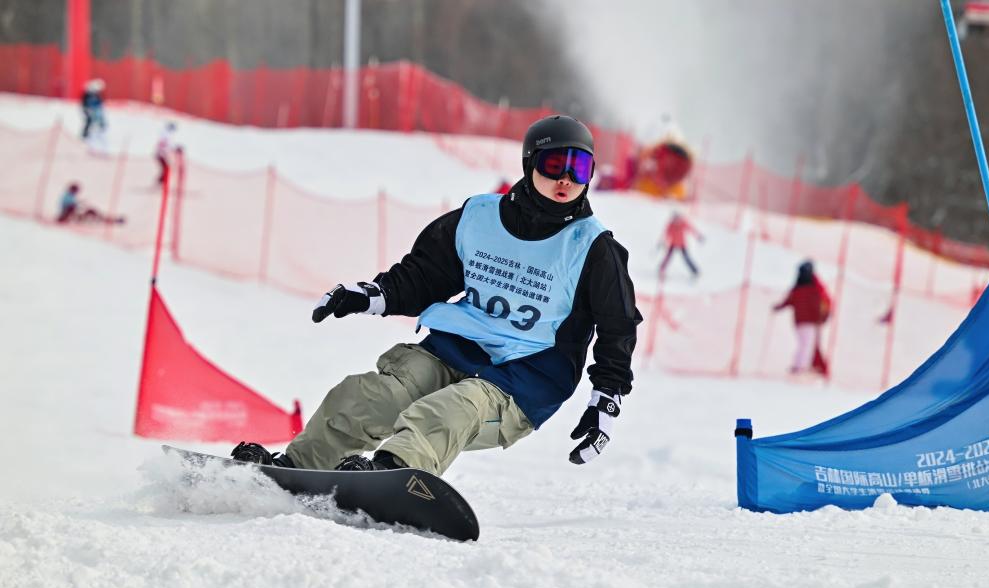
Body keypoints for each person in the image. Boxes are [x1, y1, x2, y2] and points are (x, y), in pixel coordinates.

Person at [231, 114, 642, 476]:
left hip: (528, 376)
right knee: (363, 396)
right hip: (452, 350)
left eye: (581, 167)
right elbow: (426, 276)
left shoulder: (593, 248)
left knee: (452, 408)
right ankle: (296, 469)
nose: (566, 180)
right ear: (530, 163)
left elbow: (616, 325)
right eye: (555, 165)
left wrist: (605, 399)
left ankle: (391, 473)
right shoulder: (479, 217)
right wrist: (370, 296)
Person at [772, 260, 831, 375]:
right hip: (809, 322)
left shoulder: (798, 289)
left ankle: (800, 366)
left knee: (804, 344)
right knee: (806, 345)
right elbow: (820, 305)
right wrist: (823, 316)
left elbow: (787, 301)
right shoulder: (814, 289)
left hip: (802, 322)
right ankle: (801, 368)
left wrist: (778, 308)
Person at [658, 210, 703, 278]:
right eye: (674, 219)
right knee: (668, 257)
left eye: (677, 219)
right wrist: (663, 242)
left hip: (682, 244)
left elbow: (691, 229)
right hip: (673, 243)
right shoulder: (670, 225)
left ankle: (695, 270)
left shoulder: (683, 223)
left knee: (686, 258)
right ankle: (662, 269)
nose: (676, 221)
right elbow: (666, 234)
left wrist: (698, 236)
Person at [56, 183, 124, 225]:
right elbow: (71, 206)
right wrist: (79, 204)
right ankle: (110, 220)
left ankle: (109, 219)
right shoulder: (68, 196)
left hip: (70, 213)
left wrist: (80, 203)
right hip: (68, 214)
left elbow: (73, 205)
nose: (77, 193)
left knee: (91, 211)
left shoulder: (68, 195)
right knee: (92, 212)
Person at [80, 79, 107, 145]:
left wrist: (99, 107)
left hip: (95, 109)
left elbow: (99, 102)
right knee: (89, 121)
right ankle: (85, 135)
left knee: (99, 120)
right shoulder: (87, 94)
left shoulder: (97, 94)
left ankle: (100, 132)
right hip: (88, 109)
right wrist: (86, 109)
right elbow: (84, 102)